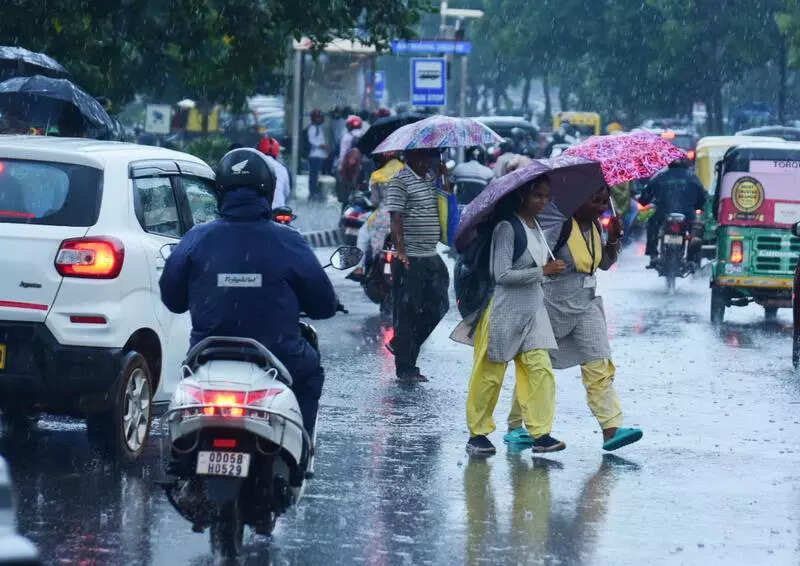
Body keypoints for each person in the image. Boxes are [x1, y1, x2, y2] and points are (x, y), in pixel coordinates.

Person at [159, 148, 338, 438]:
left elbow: (172, 298)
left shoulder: (197, 238)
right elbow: (323, 305)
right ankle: (301, 446)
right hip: (279, 355)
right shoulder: (289, 241)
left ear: (220, 191)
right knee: (310, 373)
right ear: (267, 191)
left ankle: (182, 460)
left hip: (207, 355)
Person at [510, 187, 643, 451]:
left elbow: (602, 263)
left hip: (587, 304)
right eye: (595, 199)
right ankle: (517, 426)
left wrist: (614, 239)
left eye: (605, 201)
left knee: (599, 363)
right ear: (576, 199)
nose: (601, 206)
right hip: (551, 304)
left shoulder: (595, 226)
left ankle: (611, 429)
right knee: (536, 367)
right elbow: (528, 260)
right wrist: (546, 268)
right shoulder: (558, 227)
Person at [456, 177, 568, 456]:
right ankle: (478, 434)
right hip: (504, 310)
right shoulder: (507, 228)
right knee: (490, 375)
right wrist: (543, 271)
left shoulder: (539, 227)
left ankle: (540, 434)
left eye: (546, 196)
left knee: (540, 371)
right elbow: (502, 275)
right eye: (537, 196)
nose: (542, 201)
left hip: (533, 310)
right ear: (522, 197)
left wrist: (548, 269)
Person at [384, 149, 451, 381]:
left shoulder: (431, 179)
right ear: (410, 157)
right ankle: (406, 368)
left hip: (430, 253)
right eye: (423, 158)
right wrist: (400, 250)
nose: (427, 163)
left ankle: (400, 344)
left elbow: (446, 202)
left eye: (430, 158)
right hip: (410, 256)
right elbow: (396, 217)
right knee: (407, 312)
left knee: (439, 305)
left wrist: (445, 177)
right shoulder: (400, 181)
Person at [347, 152, 404, 281]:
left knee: (362, 234)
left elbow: (375, 201)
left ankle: (359, 268)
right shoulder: (406, 171)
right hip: (403, 215)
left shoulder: (377, 175)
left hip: (383, 216)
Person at [639, 158, 705, 266]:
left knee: (652, 224)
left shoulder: (659, 176)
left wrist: (644, 200)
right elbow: (702, 197)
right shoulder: (693, 177)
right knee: (697, 231)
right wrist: (698, 206)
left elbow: (644, 197)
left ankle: (653, 255)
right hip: (688, 214)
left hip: (663, 213)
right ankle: (691, 259)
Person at [257, 136, 291, 209]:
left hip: (260, 209)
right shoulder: (282, 168)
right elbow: (287, 192)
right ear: (277, 152)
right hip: (279, 208)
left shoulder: (255, 166)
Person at [306, 109, 329, 201]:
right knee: (313, 175)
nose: (320, 119)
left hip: (320, 155)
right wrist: (322, 145)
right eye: (318, 117)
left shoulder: (319, 127)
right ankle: (312, 193)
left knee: (317, 175)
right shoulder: (312, 128)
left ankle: (316, 191)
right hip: (314, 155)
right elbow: (312, 140)